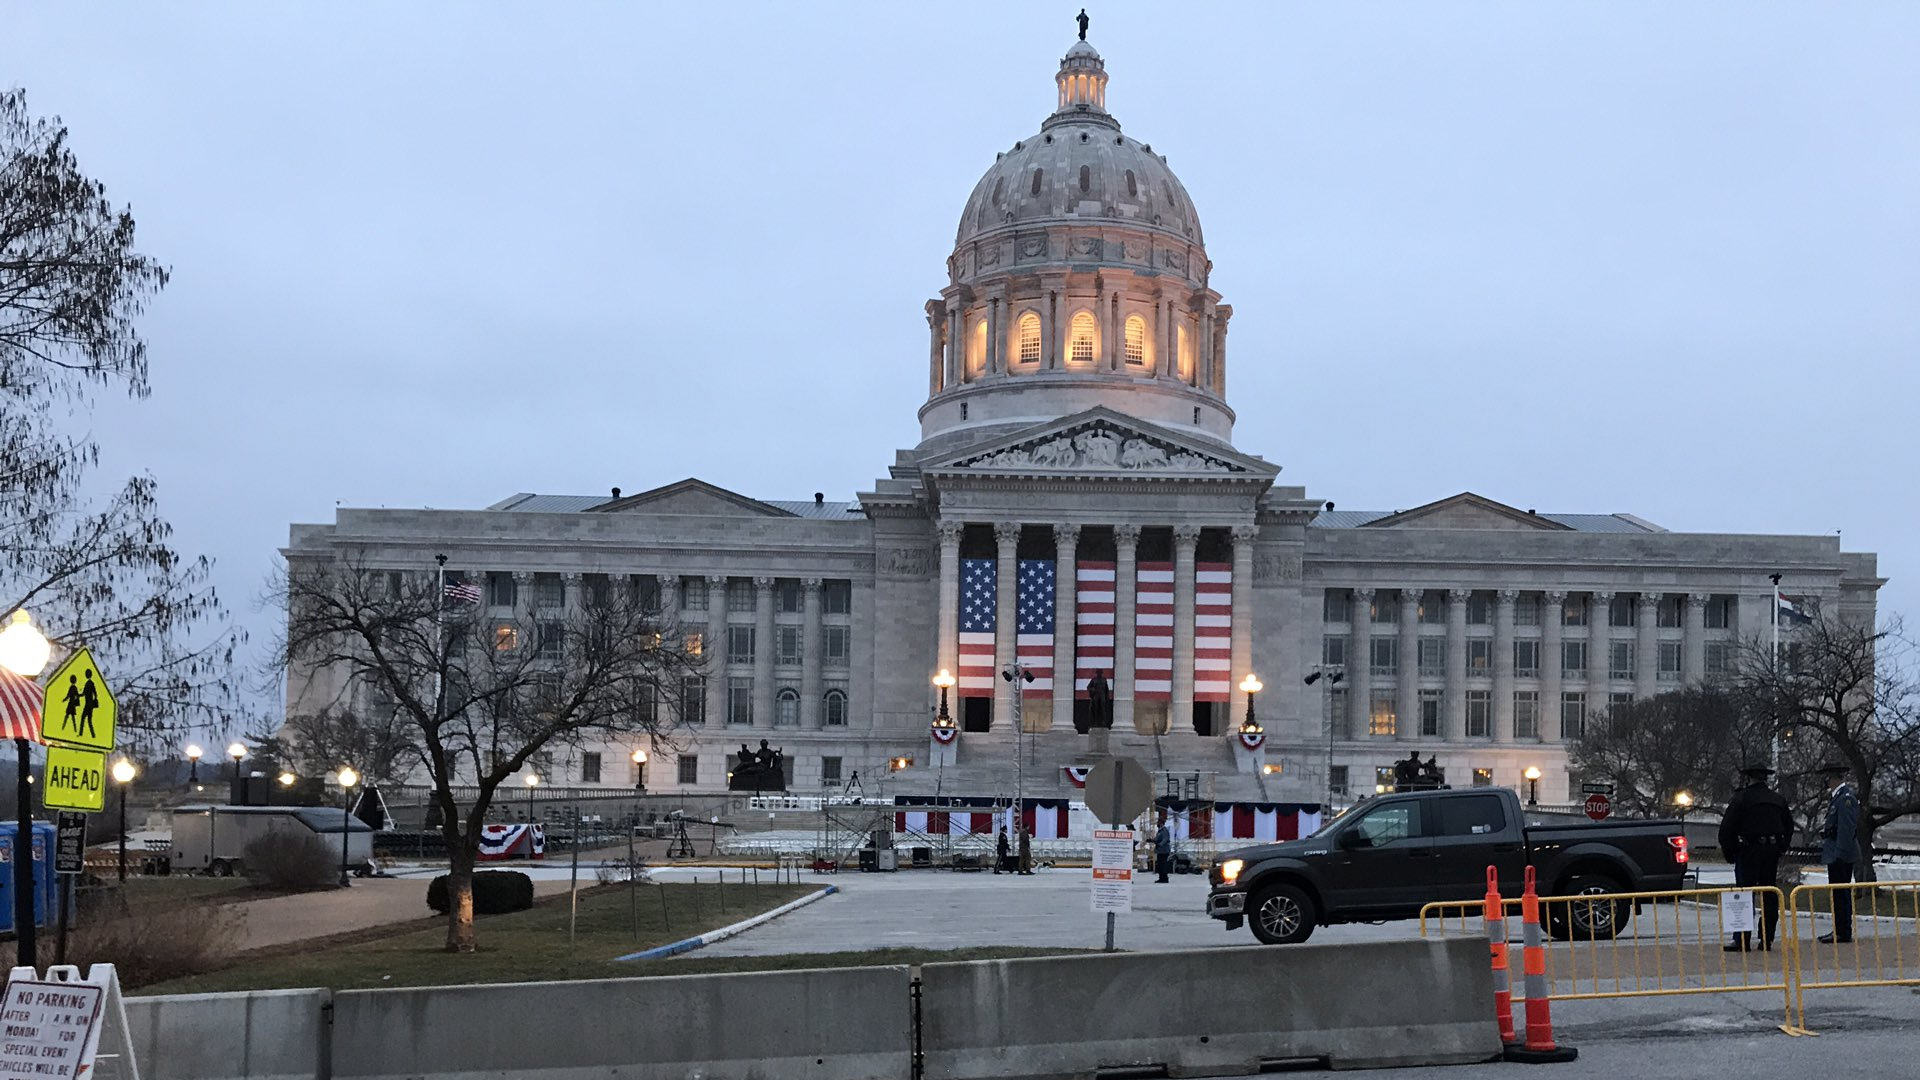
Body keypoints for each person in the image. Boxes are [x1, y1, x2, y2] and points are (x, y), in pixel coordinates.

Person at [1719, 763, 1794, 952]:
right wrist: (1780, 847)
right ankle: (1766, 939)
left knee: (1744, 895)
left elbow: (1726, 829)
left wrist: (1731, 852)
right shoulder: (1778, 799)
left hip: (1748, 851)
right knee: (1769, 894)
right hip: (1771, 851)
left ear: (1749, 778)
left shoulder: (1741, 799)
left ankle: (1742, 939)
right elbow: (1789, 827)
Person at [1816, 762, 1861, 945]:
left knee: (1841, 893)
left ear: (1831, 777)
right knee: (1837, 893)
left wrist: (1839, 854)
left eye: (1826, 777)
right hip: (1835, 851)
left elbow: (1846, 829)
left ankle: (1843, 932)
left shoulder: (1845, 798)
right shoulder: (1837, 798)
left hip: (1841, 853)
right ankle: (1840, 929)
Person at [1154, 815, 1173, 883]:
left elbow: (1165, 839)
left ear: (1161, 823)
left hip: (1164, 851)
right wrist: (1152, 840)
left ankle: (1164, 878)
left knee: (1163, 865)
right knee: (1159, 865)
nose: (1157, 823)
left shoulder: (1164, 830)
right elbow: (1157, 838)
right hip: (1160, 851)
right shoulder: (1160, 831)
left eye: (1158, 822)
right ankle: (1161, 877)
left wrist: (1160, 844)